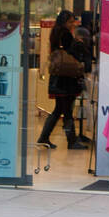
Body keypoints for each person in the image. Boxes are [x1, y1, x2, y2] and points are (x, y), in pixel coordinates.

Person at [37, 10, 86, 149]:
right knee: (67, 111)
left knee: (59, 109)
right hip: (66, 79)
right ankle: (71, 140)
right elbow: (72, 52)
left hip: (58, 78)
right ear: (65, 22)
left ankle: (44, 137)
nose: (73, 24)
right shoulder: (65, 34)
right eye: (71, 21)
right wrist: (78, 43)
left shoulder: (55, 32)